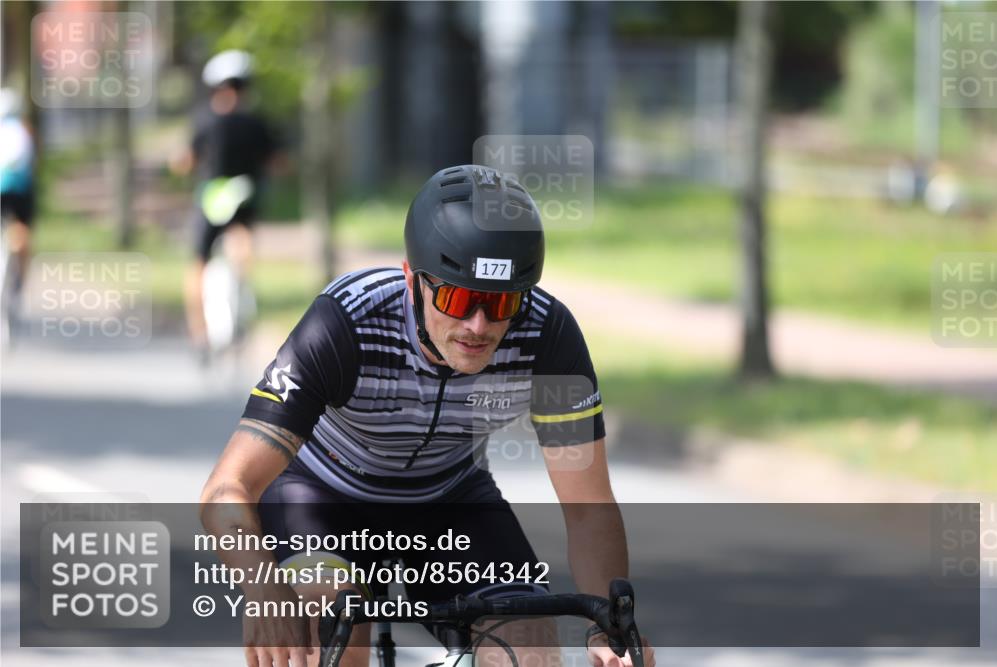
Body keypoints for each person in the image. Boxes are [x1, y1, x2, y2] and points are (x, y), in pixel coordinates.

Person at [200, 165, 655, 667]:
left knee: (528, 643)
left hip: (449, 499)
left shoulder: (548, 336)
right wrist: (263, 586)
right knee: (323, 626)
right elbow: (227, 488)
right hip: (322, 496)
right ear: (411, 279)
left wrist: (607, 629)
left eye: (501, 302)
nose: (479, 325)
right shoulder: (346, 323)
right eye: (458, 298)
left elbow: (588, 507)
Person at [173, 50, 280, 359]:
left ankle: (199, 333)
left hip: (211, 198)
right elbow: (277, 161)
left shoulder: (205, 120)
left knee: (198, 262)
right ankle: (243, 296)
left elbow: (186, 160)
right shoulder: (256, 123)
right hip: (244, 196)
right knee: (241, 241)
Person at [0, 87, 36, 307]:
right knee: (21, 232)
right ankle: (19, 281)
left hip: (8, 191)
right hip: (19, 192)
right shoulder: (23, 130)